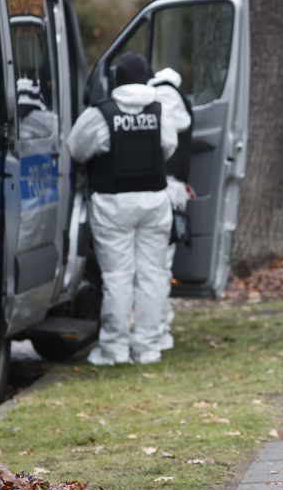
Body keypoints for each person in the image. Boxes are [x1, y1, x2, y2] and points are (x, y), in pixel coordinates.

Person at [68, 52, 177, 366]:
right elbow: (168, 148)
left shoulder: (101, 114)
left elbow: (76, 148)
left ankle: (114, 348)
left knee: (117, 277)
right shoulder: (160, 110)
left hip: (113, 203)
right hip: (155, 202)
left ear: (117, 79)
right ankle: (148, 348)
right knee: (153, 276)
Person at [149, 67, 194, 352]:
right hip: (173, 191)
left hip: (160, 190)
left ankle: (155, 330)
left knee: (153, 267)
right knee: (161, 266)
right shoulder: (181, 103)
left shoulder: (161, 99)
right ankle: (159, 328)